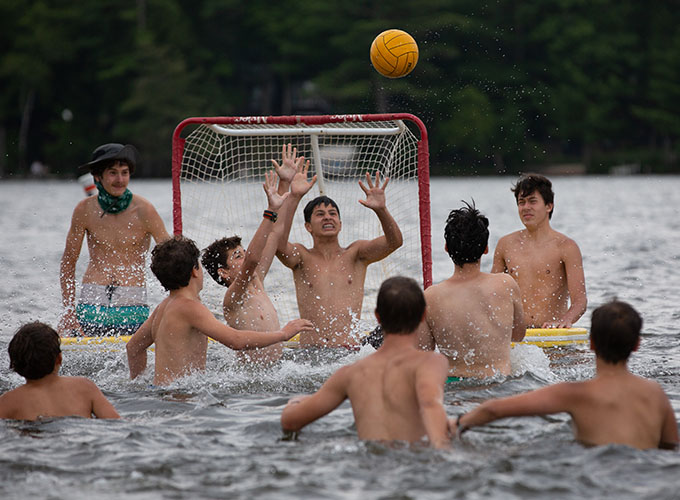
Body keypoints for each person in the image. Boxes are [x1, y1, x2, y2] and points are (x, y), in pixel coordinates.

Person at [452, 300, 679, 450]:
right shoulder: (655, 393)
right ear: (637, 345)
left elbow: (493, 409)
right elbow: (671, 446)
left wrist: (458, 423)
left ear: (590, 343)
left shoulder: (575, 393)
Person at [280, 276, 450, 448]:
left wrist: (295, 402)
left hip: (368, 468)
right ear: (423, 316)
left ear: (377, 317)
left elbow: (290, 422)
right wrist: (443, 448)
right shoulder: (432, 363)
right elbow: (430, 404)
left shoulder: (351, 373)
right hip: (415, 461)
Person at [126, 235, 314, 385]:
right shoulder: (190, 308)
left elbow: (133, 348)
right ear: (195, 271)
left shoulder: (164, 307)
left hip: (164, 392)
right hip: (180, 397)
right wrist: (283, 334)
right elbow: (236, 340)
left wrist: (141, 383)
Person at [202, 145, 313, 364]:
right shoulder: (234, 297)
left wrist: (286, 187)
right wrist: (269, 212)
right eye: (237, 256)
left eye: (243, 252)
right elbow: (253, 259)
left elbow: (275, 233)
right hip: (252, 381)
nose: (245, 257)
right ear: (223, 272)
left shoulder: (258, 281)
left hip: (273, 373)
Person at [276, 168, 403, 348]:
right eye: (320, 214)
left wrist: (381, 210)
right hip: (311, 355)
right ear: (308, 227)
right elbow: (278, 244)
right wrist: (294, 197)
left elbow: (395, 242)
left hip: (348, 354)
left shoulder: (356, 254)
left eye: (332, 214)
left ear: (340, 224)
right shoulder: (301, 256)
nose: (328, 217)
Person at [59, 143, 170, 337]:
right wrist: (68, 310)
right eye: (113, 173)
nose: (120, 180)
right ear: (97, 177)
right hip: (93, 298)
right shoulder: (84, 210)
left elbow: (172, 257)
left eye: (124, 173)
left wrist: (182, 301)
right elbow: (68, 262)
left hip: (131, 300)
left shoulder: (144, 210)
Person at [417, 202, 525, 379]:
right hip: (498, 384)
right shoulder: (506, 284)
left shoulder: (430, 296)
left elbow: (424, 353)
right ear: (485, 249)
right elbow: (519, 335)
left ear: (446, 248)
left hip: (452, 389)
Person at [492, 173, 586, 328]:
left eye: (532, 201)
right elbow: (493, 296)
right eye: (521, 202)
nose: (526, 207)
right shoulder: (505, 245)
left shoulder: (566, 246)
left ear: (549, 206)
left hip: (553, 336)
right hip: (518, 338)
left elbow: (580, 301)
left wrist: (565, 320)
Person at [0, 322, 120, 420]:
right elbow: (115, 422)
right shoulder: (84, 387)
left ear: (14, 364)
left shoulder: (7, 402)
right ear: (59, 358)